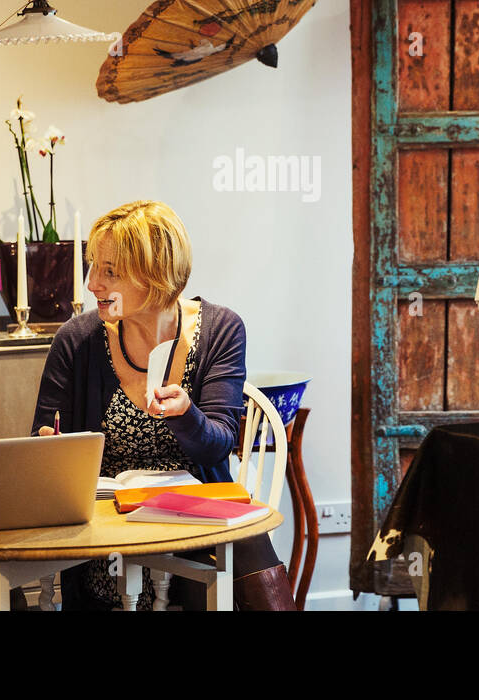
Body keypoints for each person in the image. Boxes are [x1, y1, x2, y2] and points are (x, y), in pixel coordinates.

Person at [31, 200, 295, 610]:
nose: (91, 284)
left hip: (191, 529)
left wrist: (185, 414)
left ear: (155, 274)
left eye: (109, 271)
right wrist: (47, 449)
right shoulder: (76, 340)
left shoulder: (221, 330)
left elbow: (218, 446)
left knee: (245, 536)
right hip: (108, 531)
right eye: (93, 266)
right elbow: (42, 441)